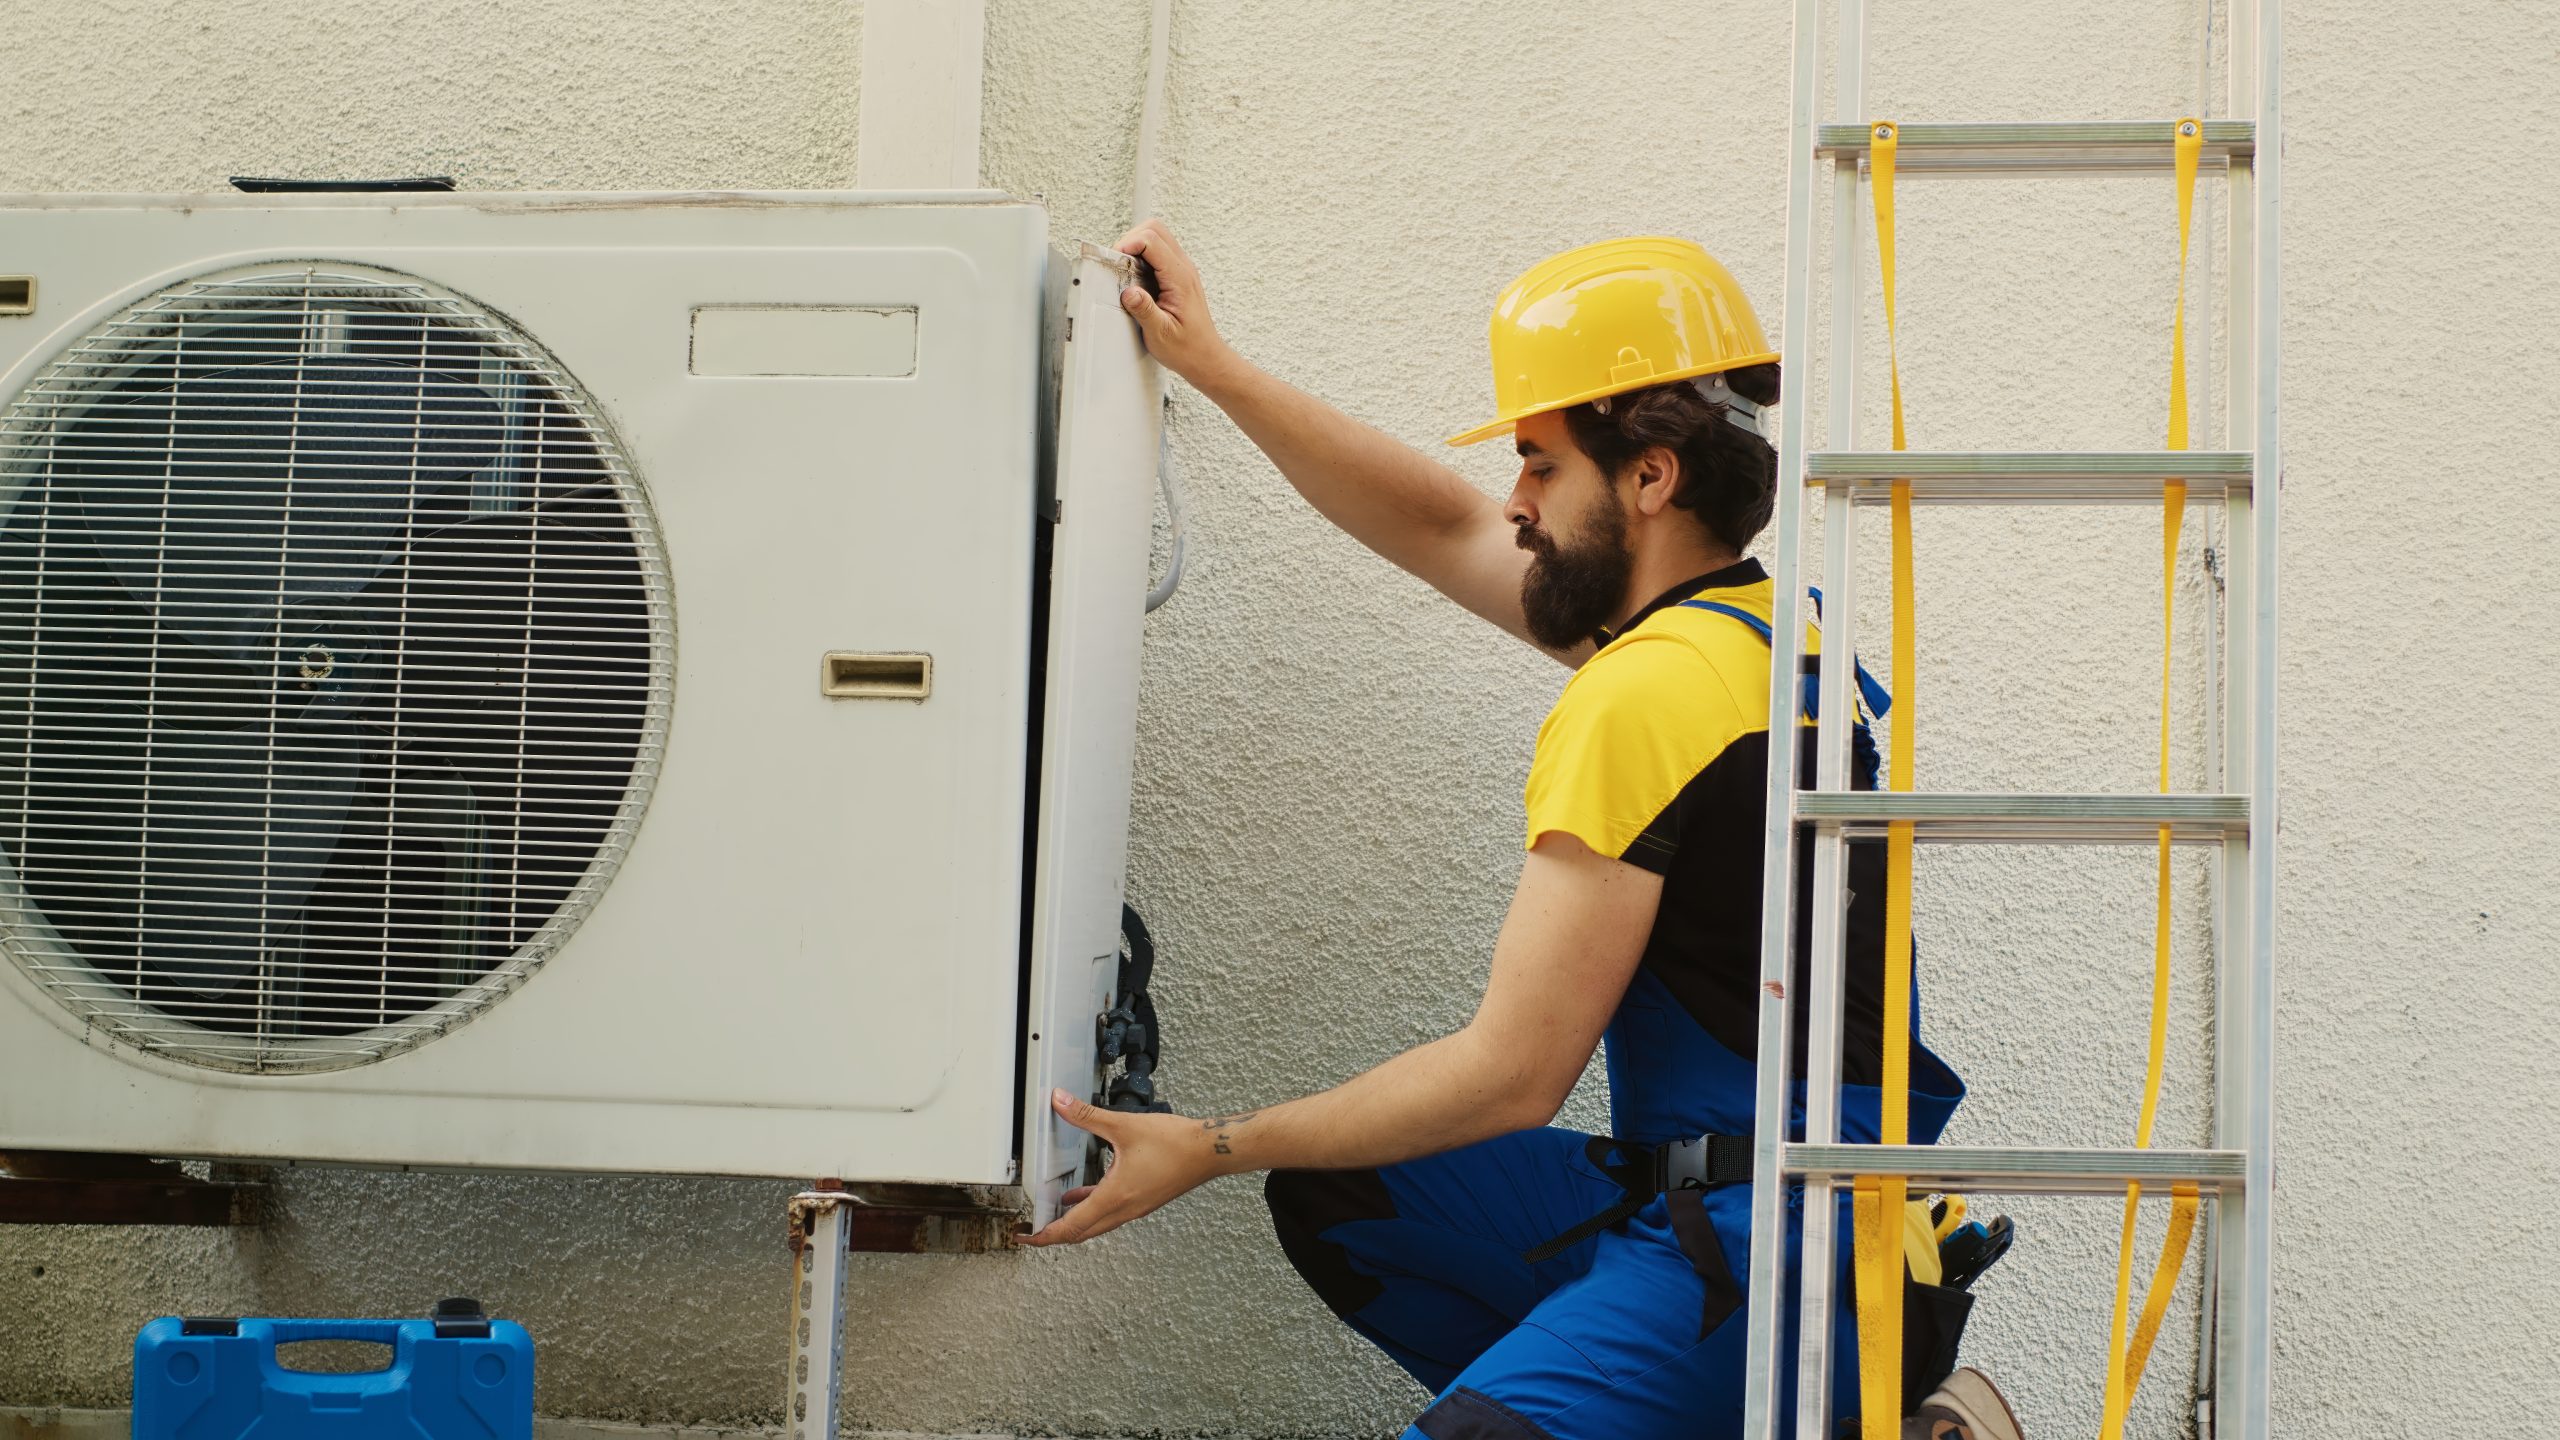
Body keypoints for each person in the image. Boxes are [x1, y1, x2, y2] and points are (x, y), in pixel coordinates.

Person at [1022, 221, 2020, 1440]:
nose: (1515, 499)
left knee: (1363, 1217)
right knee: (1345, 1189)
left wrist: (1208, 1146)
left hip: (1769, 1254)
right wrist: (1218, 369)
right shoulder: (1764, 638)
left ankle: (1777, 1403)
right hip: (1825, 1211)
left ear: (1648, 478)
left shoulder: (1642, 698)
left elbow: (1511, 1075)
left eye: (1541, 464)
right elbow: (1444, 528)